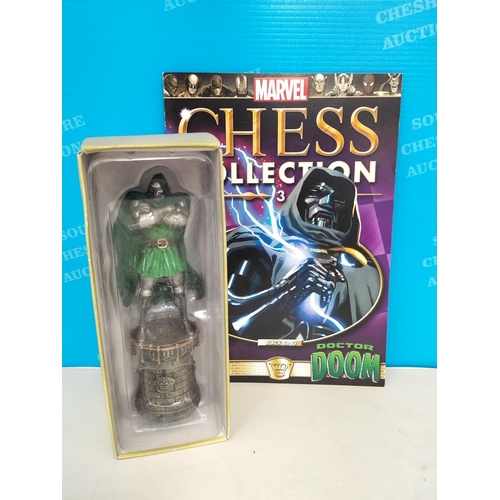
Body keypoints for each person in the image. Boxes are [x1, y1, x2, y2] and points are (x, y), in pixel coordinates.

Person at [226, 167, 380, 341]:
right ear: (298, 198)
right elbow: (231, 324)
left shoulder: (363, 269)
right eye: (316, 193)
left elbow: (372, 332)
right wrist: (291, 289)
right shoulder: (256, 242)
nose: (326, 203)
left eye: (339, 199)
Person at [113, 174, 200, 342]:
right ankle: (143, 326)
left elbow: (180, 221)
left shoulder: (179, 200)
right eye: (153, 188)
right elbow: (143, 222)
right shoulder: (138, 202)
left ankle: (184, 322)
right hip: (151, 252)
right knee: (145, 291)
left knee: (179, 288)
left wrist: (155, 214)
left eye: (160, 188)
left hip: (170, 252)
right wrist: (167, 209)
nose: (157, 192)